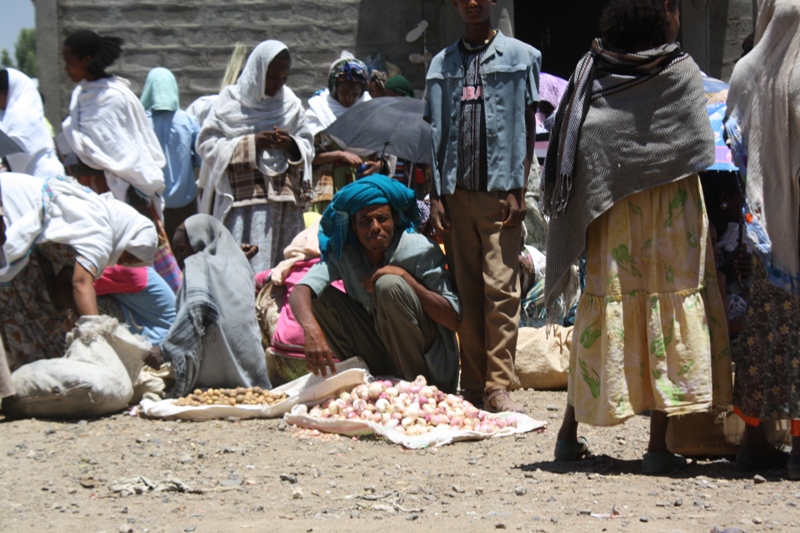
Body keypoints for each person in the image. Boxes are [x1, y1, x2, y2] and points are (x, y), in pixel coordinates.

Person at [543, 0, 731, 474]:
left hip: (613, 212)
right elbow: (696, 144)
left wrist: (618, 172)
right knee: (664, 305)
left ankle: (568, 434)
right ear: (664, 13)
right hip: (671, 211)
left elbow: (582, 140)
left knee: (605, 306)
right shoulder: (679, 70)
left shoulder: (592, 70)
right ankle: (657, 446)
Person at [425, 0, 540, 413]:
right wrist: (436, 197)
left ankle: (498, 384)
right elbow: (433, 136)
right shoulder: (441, 65)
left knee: (502, 289)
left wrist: (518, 189)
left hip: (498, 194)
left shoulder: (521, 57)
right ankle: (473, 384)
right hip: (456, 194)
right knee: (466, 291)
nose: (472, 3)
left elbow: (526, 128)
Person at [290, 175, 461, 392]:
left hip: (431, 370)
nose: (375, 227)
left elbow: (453, 319)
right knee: (317, 299)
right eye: (365, 221)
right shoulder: (346, 254)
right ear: (354, 228)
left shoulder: (419, 249)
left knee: (388, 285)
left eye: (383, 219)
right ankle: (370, 379)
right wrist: (310, 328)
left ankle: (412, 391)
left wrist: (404, 277)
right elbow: (300, 290)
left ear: (395, 220)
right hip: (383, 356)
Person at [724, 0, 800, 479]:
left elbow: (738, 145)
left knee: (762, 338)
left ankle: (752, 441)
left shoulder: (749, 69)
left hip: (766, 231)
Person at [0, 173, 158, 372]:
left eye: (129, 262)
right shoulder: (100, 229)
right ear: (126, 236)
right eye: (127, 256)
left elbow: (61, 286)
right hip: (12, 209)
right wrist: (98, 334)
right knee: (20, 314)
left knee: (45, 316)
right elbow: (81, 283)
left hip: (29, 254)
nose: (121, 262)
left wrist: (78, 314)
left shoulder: (95, 223)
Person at [196, 40, 314, 274]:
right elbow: (206, 143)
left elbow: (307, 142)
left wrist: (291, 144)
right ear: (258, 72)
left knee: (283, 269)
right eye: (273, 78)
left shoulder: (289, 104)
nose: (278, 85)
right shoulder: (230, 102)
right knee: (243, 268)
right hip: (243, 205)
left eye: (284, 78)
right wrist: (251, 144)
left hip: (284, 205)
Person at [143, 215, 271, 398]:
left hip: (214, 378)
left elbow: (196, 306)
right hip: (252, 377)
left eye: (182, 250)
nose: (179, 259)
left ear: (200, 241)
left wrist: (166, 350)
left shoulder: (196, 263)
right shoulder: (240, 264)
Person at [60, 30, 167, 217]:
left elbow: (124, 152)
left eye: (70, 62)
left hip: (119, 188)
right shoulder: (81, 95)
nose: (66, 68)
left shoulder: (115, 97)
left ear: (86, 59)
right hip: (89, 188)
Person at [305, 55, 381, 213]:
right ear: (333, 87)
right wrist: (339, 154)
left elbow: (383, 154)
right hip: (330, 188)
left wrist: (378, 166)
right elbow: (310, 157)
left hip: (363, 185)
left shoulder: (370, 110)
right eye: (344, 92)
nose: (349, 98)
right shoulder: (320, 111)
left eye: (355, 93)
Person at [140, 67, 202, 246]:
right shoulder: (187, 120)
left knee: (159, 254)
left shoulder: (142, 121)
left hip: (151, 204)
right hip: (185, 203)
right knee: (186, 252)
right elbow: (200, 159)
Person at [0, 68, 64, 178]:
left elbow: (18, 152)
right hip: (31, 177)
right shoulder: (10, 115)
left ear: (6, 93)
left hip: (43, 176)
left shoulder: (21, 115)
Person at [94, 265, 177, 344]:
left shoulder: (132, 270)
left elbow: (84, 283)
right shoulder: (136, 267)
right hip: (161, 338)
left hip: (155, 344)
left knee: (88, 296)